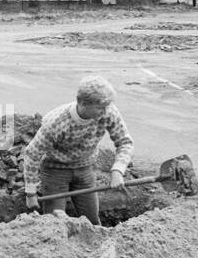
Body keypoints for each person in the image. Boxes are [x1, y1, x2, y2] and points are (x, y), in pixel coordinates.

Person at [22, 75, 134, 226]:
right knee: (55, 223)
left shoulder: (108, 111)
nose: (105, 111)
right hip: (56, 170)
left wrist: (118, 170)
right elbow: (32, 154)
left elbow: (125, 142)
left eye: (106, 106)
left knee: (92, 221)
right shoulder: (57, 123)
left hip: (85, 168)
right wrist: (30, 193)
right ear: (83, 103)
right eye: (99, 108)